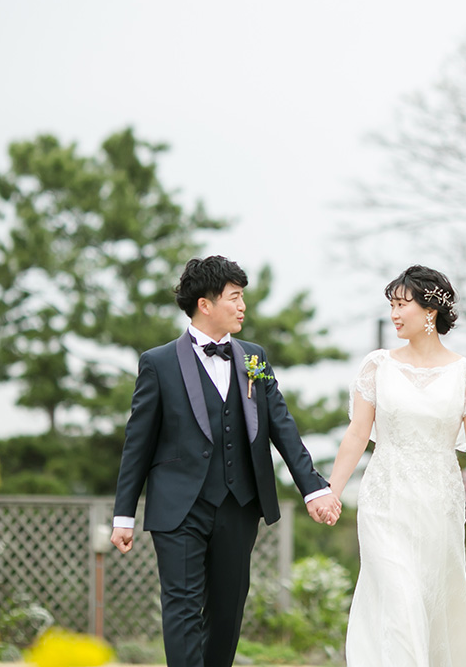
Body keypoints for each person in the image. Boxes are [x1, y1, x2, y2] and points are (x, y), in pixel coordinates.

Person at [109, 256, 341, 667]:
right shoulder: (158, 363)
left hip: (239, 504)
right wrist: (123, 515)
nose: (242, 306)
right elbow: (137, 443)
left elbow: (281, 426)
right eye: (234, 297)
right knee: (181, 607)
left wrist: (315, 488)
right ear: (205, 304)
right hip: (179, 508)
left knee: (228, 611)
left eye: (242, 298)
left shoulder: (254, 358)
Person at [326, 264, 466, 666]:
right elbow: (358, 434)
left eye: (401, 304)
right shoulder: (377, 366)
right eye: (391, 304)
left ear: (430, 311)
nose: (393, 313)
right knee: (399, 595)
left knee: (433, 600)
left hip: (438, 504)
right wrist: (332, 492)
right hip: (384, 500)